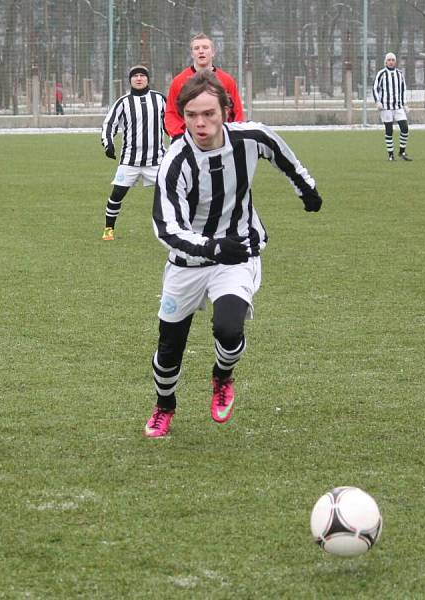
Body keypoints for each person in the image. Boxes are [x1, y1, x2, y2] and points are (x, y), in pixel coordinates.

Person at [144, 71, 322, 438]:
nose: (201, 122)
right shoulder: (175, 162)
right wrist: (211, 247)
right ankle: (165, 404)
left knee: (228, 328)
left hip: (238, 251)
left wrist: (307, 190)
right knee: (169, 346)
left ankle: (222, 375)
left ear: (226, 110)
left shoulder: (250, 137)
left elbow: (283, 156)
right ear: (183, 116)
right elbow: (167, 229)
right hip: (188, 262)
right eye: (192, 115)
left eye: (209, 113)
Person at [99, 65, 167, 241]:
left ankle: (176, 228)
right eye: (135, 76)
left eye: (142, 76)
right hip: (130, 161)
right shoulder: (123, 102)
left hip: (157, 160)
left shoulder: (160, 99)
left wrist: (180, 141)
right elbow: (109, 124)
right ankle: (109, 229)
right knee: (117, 194)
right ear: (130, 80)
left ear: (147, 79)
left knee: (174, 193)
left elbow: (173, 123)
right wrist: (108, 144)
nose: (139, 78)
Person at [164, 33, 245, 140]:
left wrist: (234, 135)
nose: (201, 51)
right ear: (192, 54)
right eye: (196, 48)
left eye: (205, 47)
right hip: (189, 139)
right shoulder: (178, 81)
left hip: (221, 139)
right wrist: (179, 136)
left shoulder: (227, 80)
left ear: (213, 52)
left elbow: (237, 111)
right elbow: (171, 112)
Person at [373, 52, 412, 161]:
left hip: (398, 106)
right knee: (389, 130)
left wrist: (404, 104)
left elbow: (403, 90)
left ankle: (402, 152)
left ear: (395, 62)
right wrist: (378, 102)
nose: (391, 62)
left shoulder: (399, 74)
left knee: (405, 128)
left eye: (393, 60)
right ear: (386, 62)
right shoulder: (381, 74)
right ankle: (391, 155)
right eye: (389, 60)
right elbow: (375, 88)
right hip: (386, 107)